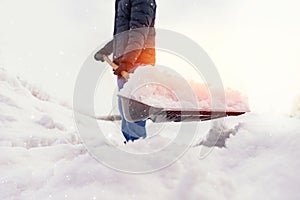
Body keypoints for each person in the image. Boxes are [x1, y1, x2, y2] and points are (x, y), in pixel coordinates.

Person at [94, 0, 157, 143]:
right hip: (125, 63)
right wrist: (106, 50)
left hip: (137, 63)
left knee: (133, 113)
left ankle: (138, 149)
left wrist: (128, 61)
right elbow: (123, 35)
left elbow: (138, 32)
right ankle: (132, 146)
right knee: (126, 112)